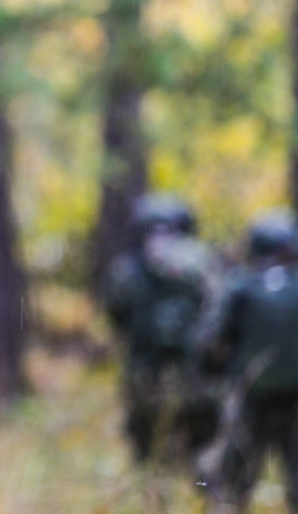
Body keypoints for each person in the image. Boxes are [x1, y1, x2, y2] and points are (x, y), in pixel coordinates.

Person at [194, 212, 298, 514]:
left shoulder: (238, 287)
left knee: (233, 487)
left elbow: (211, 340)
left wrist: (217, 373)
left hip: (249, 397)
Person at [100, 193, 222, 465]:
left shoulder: (124, 270)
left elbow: (115, 316)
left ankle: (156, 499)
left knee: (150, 453)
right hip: (198, 377)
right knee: (203, 452)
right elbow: (221, 316)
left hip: (145, 378)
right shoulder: (205, 264)